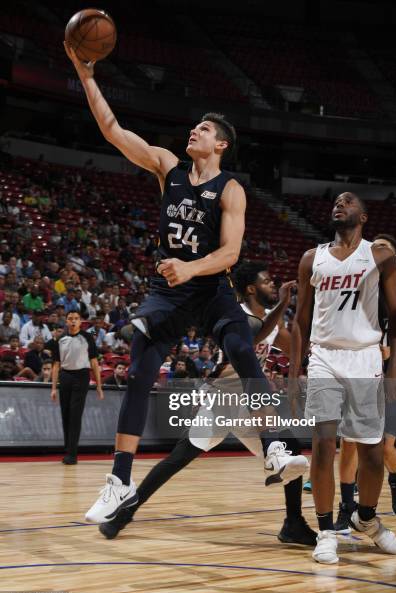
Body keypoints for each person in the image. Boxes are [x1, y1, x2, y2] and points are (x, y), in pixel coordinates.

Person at [64, 42, 308, 524]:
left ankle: (276, 447)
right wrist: (85, 73)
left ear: (221, 144)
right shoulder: (167, 167)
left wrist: (191, 267)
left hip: (210, 287)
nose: (194, 129)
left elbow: (232, 254)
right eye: (194, 125)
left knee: (242, 348)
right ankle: (119, 479)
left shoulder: (231, 189)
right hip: (171, 293)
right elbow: (113, 131)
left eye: (205, 128)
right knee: (137, 370)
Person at [99, 262, 314, 544]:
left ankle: (293, 523)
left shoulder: (272, 323)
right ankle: (124, 513)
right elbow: (251, 337)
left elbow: (298, 343)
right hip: (223, 399)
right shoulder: (236, 315)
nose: (273, 284)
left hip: (251, 406)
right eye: (267, 281)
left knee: (291, 452)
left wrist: (300, 313)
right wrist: (282, 308)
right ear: (250, 289)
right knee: (179, 458)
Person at [290, 192, 396, 564]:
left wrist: (395, 369)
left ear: (364, 215)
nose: (340, 204)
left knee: (372, 454)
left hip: (366, 357)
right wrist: (294, 372)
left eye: (349, 201)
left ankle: (367, 519)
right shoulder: (312, 258)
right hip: (324, 355)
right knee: (323, 444)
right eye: (336, 201)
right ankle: (326, 531)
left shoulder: (380, 256)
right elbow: (301, 320)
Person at [334, 233, 396, 529]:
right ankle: (345, 508)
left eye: (383, 250)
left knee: (384, 447)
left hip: (393, 377)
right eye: (374, 249)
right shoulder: (358, 287)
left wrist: (392, 351)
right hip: (359, 374)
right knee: (348, 444)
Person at [51, 311, 104, 465]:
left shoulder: (87, 338)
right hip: (65, 376)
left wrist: (99, 386)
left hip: (81, 376)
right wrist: (53, 388)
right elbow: (55, 365)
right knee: (65, 414)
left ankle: (72, 454)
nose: (73, 321)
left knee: (75, 415)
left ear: (80, 321)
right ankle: (68, 449)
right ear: (66, 322)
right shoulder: (60, 339)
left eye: (76, 319)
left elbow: (94, 363)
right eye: (70, 319)